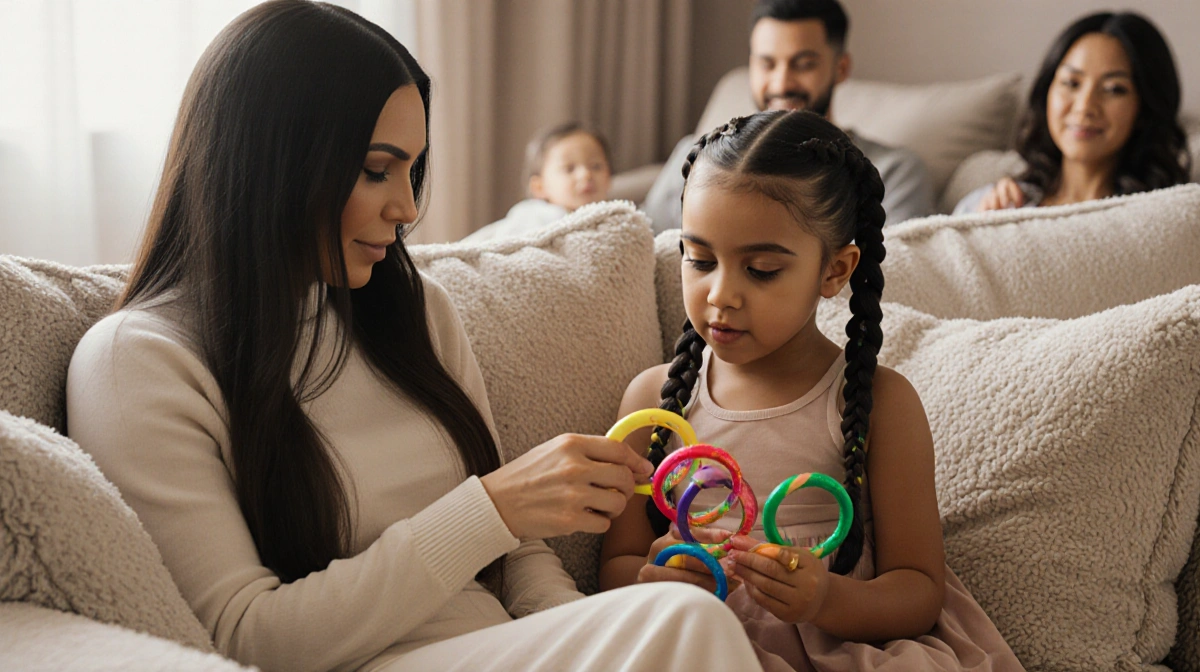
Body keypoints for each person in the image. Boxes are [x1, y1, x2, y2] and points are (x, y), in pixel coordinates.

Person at [64, 3, 764, 671]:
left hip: (503, 652)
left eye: (411, 170)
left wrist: (585, 632)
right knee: (687, 622)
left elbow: (516, 554)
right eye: (376, 170)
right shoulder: (137, 361)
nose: (405, 208)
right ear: (274, 162)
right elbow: (243, 637)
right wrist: (489, 508)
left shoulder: (413, 310)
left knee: (671, 615)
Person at [600, 110, 1024, 671]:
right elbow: (614, 569)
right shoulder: (651, 401)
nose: (720, 295)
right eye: (699, 259)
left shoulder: (880, 404)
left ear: (835, 270)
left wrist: (826, 598)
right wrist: (655, 581)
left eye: (762, 270)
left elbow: (920, 591)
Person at [641, 0, 934, 233]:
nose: (782, 83)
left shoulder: (894, 172)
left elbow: (895, 276)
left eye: (803, 64)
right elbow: (641, 246)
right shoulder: (695, 156)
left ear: (841, 68)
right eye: (767, 64)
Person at [955, 11, 1191, 214]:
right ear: (1047, 91)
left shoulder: (1163, 219)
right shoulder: (988, 206)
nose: (1085, 106)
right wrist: (982, 233)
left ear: (1144, 109)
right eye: (1071, 83)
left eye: (1113, 89)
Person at [462, 123, 612, 243]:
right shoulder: (536, 215)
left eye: (596, 166)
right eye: (569, 169)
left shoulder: (614, 222)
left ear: (609, 178)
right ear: (539, 187)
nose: (586, 175)